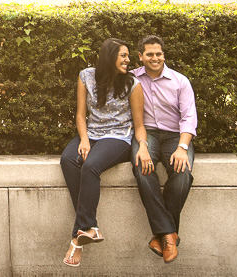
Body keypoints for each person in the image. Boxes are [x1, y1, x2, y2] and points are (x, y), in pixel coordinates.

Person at [59, 38, 151, 268]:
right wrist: (84, 139)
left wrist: (143, 146)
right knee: (68, 159)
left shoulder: (133, 84)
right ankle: (88, 227)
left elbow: (139, 125)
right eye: (123, 56)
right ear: (110, 57)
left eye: (128, 56)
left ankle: (79, 236)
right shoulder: (86, 76)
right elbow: (80, 115)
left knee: (91, 166)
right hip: (92, 133)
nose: (128, 60)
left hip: (119, 137)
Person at [131, 35, 198, 264]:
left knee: (182, 173)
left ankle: (161, 235)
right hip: (145, 134)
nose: (155, 58)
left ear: (164, 55)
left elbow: (189, 118)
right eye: (149, 54)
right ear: (140, 56)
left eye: (158, 53)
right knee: (142, 169)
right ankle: (170, 235)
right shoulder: (131, 79)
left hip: (175, 136)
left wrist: (182, 146)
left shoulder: (180, 81)